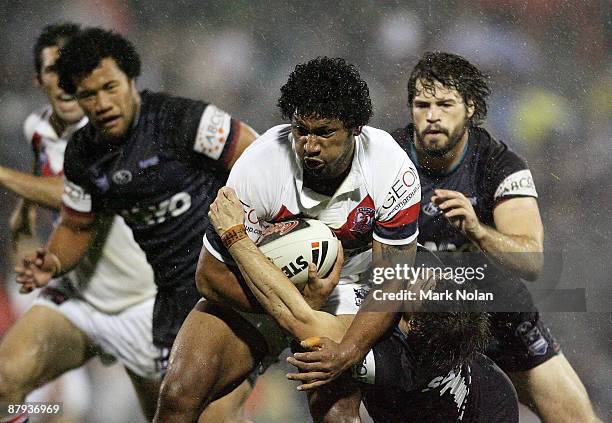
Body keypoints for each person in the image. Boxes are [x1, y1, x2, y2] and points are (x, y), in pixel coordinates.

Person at [290, 51, 601, 423]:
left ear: (470, 107)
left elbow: (532, 260)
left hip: (498, 316)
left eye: (445, 104)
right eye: (422, 104)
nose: (432, 115)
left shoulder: (498, 165)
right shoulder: (385, 160)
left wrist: (478, 231)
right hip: (422, 328)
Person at [154, 57, 421, 423]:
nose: (309, 145)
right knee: (178, 394)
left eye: (325, 132)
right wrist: (291, 303)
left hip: (349, 289)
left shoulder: (391, 168)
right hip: (261, 286)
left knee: (337, 414)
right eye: (301, 130)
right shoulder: (260, 167)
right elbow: (210, 276)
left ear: (356, 128)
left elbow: (393, 281)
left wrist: (349, 350)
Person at [14, 27, 258, 423]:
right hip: (175, 298)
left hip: (236, 279)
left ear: (131, 79)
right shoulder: (84, 156)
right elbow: (77, 226)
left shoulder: (184, 119)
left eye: (110, 87)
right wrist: (53, 262)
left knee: (211, 414)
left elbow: (258, 159)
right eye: (88, 94)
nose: (103, 103)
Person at [206, 186, 519, 423]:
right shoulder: (431, 280)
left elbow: (297, 319)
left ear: (413, 323)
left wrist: (236, 237)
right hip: (494, 389)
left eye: (422, 288)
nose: (420, 276)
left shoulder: (396, 362)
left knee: (325, 377)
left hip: (477, 414)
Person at [0, 23, 159, 422]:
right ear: (39, 80)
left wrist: (6, 178)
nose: (68, 78)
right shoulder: (37, 128)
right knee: (5, 383)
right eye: (56, 69)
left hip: (142, 304)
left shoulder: (112, 129)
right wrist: (26, 208)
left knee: (177, 417)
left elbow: (80, 193)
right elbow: (50, 175)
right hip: (79, 298)